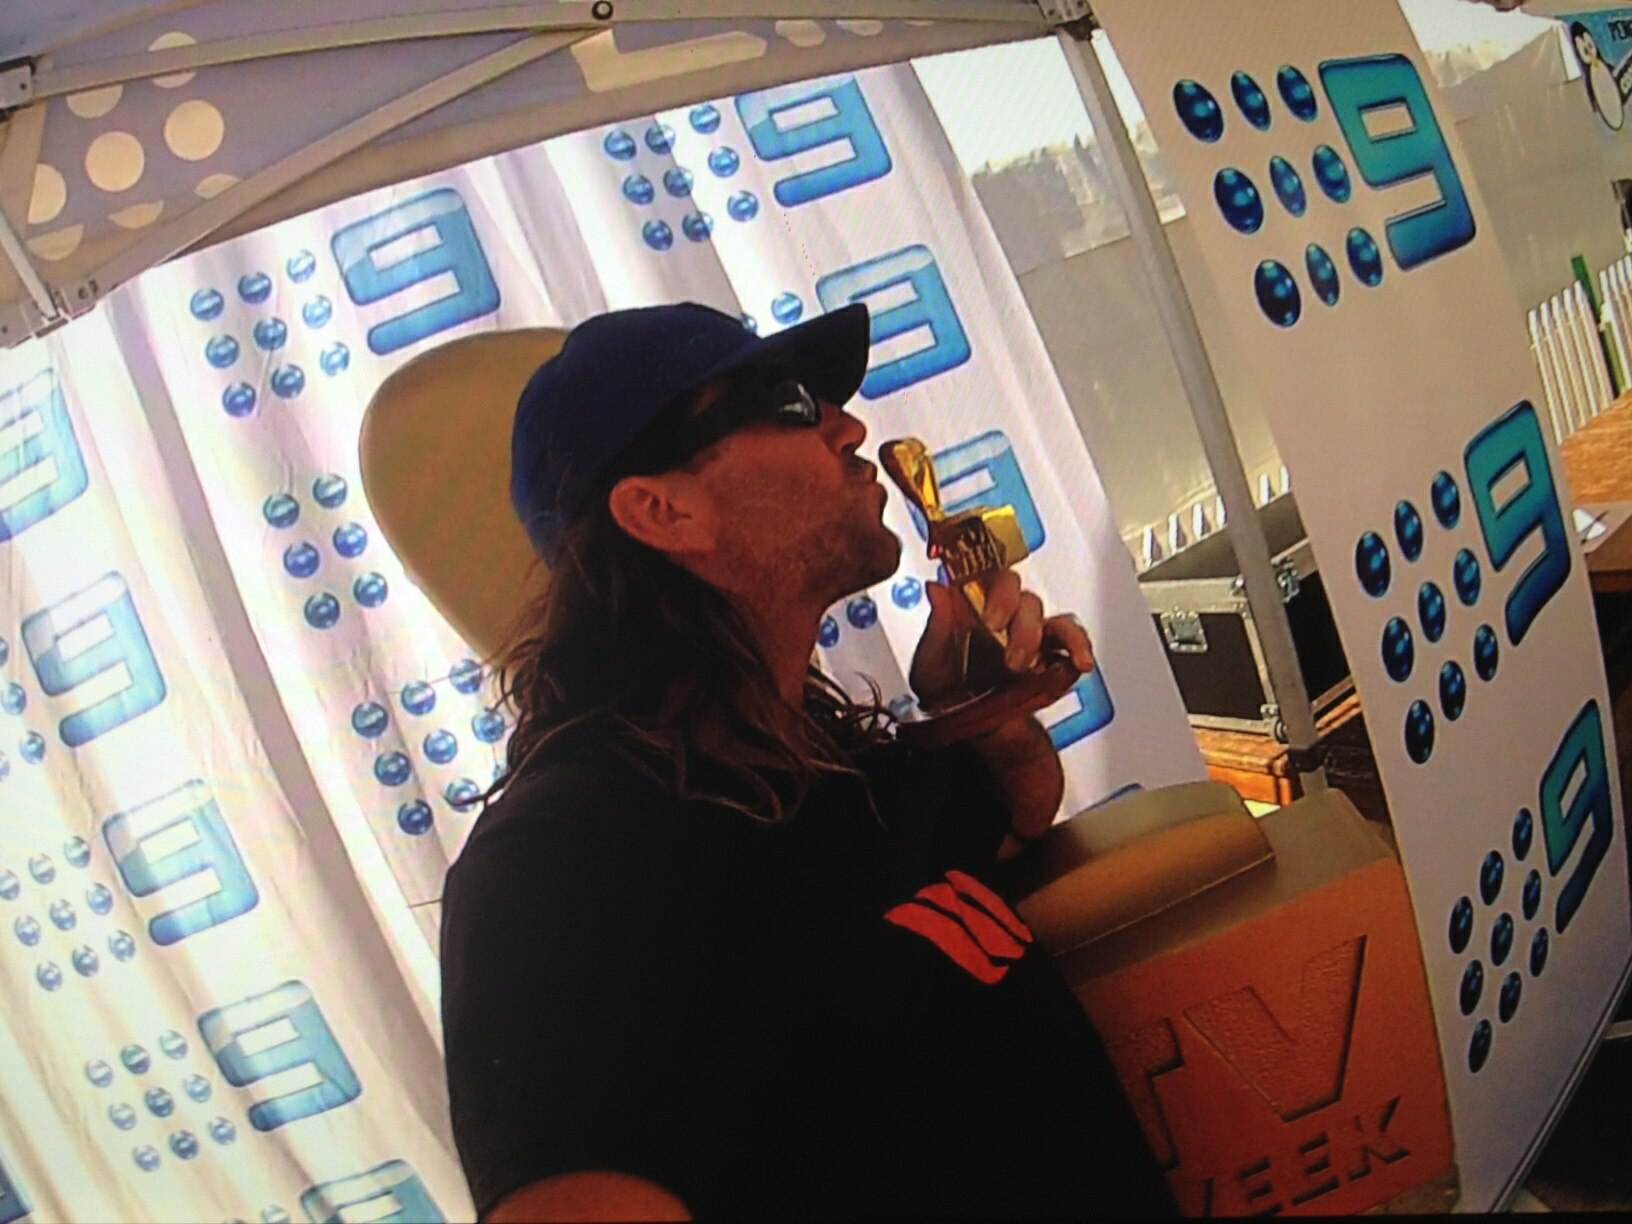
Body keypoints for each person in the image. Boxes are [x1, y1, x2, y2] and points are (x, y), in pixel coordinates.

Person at [438, 301, 1177, 1221]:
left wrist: (981, 708)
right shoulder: (563, 857)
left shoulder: (817, 764)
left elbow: (1017, 810)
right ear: (663, 510)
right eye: (789, 402)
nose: (850, 428)